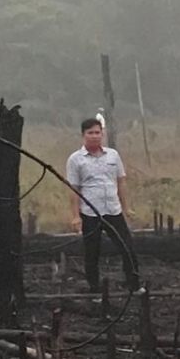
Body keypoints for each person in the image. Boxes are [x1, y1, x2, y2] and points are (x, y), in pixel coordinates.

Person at [66, 118, 141, 293]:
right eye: (90, 133)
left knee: (127, 248)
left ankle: (134, 286)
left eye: (97, 133)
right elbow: (73, 189)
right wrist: (76, 216)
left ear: (102, 134)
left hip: (113, 211)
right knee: (92, 253)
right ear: (83, 135)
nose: (94, 136)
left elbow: (121, 182)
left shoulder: (113, 155)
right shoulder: (76, 160)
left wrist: (126, 207)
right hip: (90, 213)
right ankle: (94, 289)